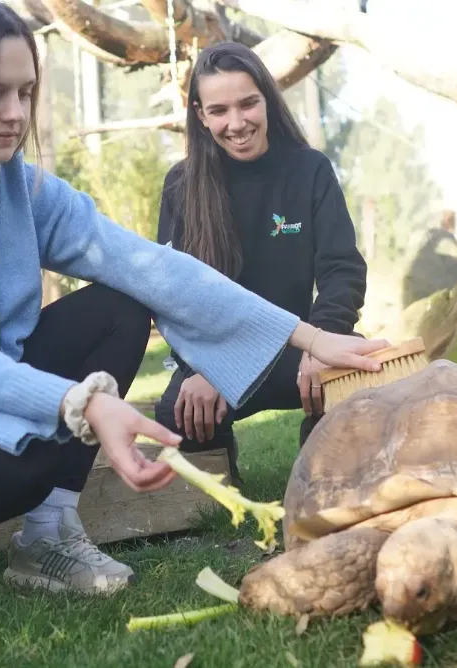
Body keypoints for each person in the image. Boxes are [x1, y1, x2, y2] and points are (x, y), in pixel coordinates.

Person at [0, 0, 388, 603]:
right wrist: (77, 402)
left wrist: (310, 337)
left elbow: (152, 268)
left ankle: (48, 534)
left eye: (25, 91)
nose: (15, 113)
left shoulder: (14, 183)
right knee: (20, 459)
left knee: (120, 305)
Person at [152, 41, 367, 483]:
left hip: (302, 352)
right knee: (178, 415)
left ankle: (320, 451)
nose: (237, 123)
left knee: (361, 383)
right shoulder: (181, 186)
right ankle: (217, 452)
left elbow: (342, 269)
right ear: (200, 115)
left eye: (248, 103)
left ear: (267, 98)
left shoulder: (310, 171)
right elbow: (172, 297)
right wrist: (200, 368)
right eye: (219, 111)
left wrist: (324, 342)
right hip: (221, 361)